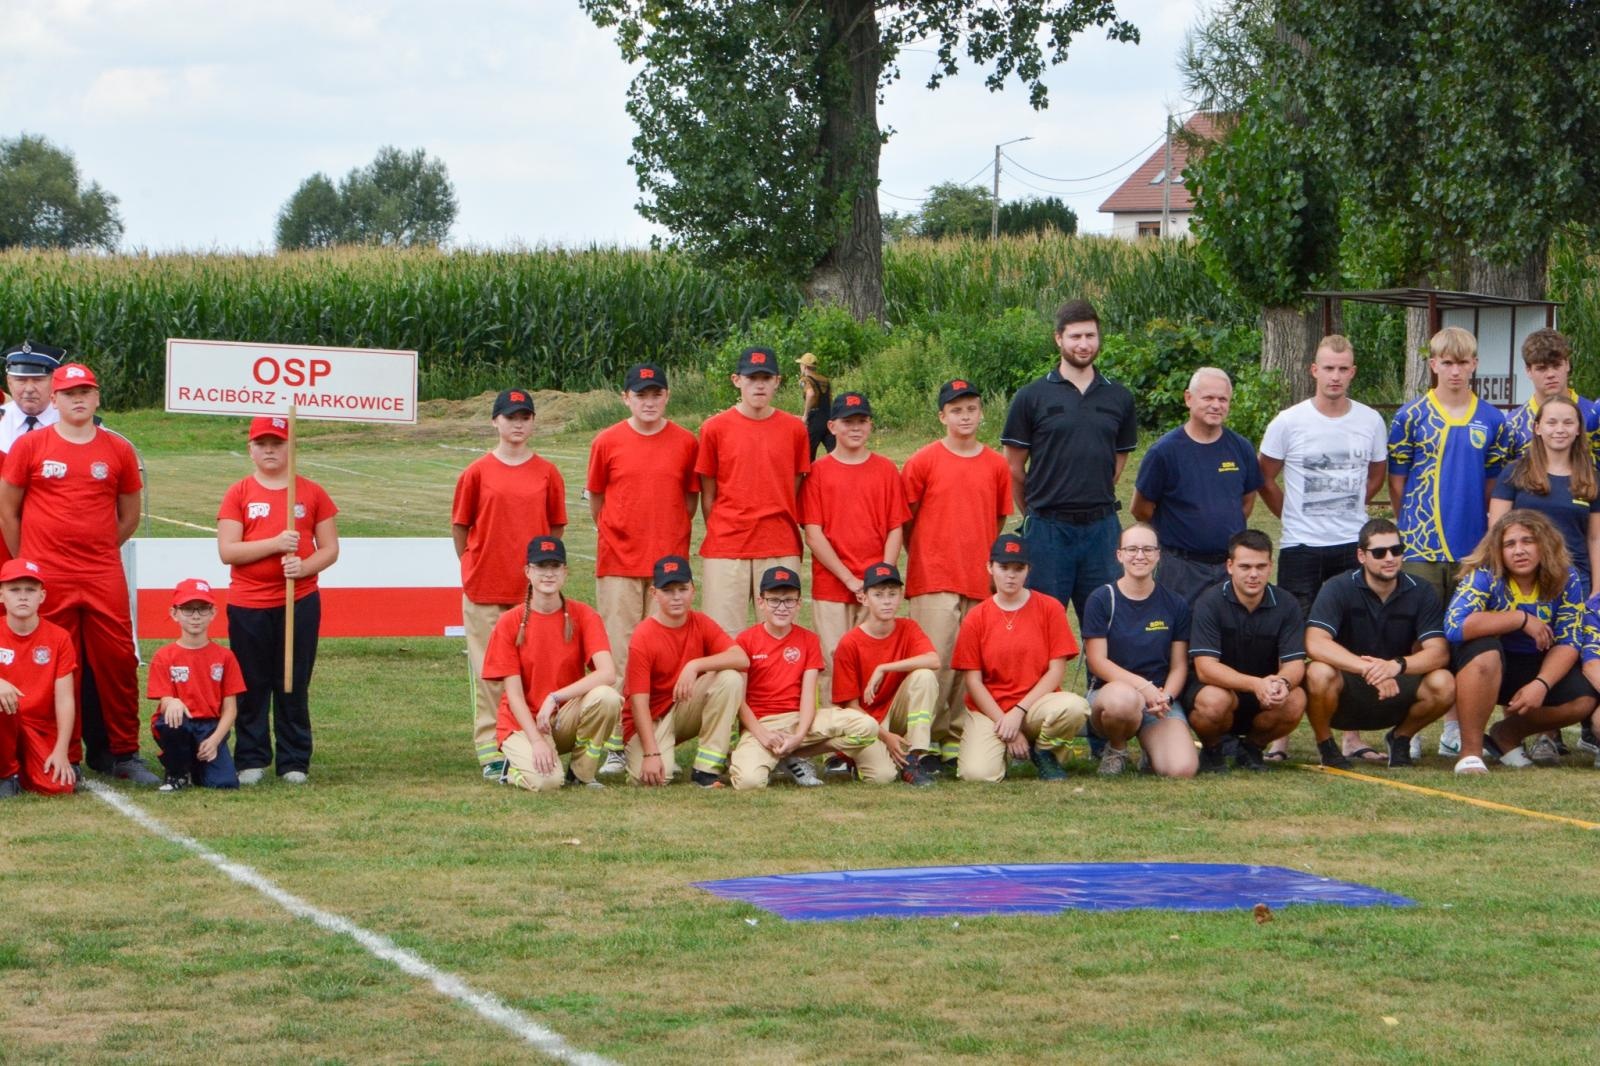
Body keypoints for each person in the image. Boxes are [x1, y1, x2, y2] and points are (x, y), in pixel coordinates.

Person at [0, 362, 154, 784]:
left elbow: (128, 516)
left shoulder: (117, 449)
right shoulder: (30, 447)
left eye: (85, 392)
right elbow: (8, 510)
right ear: (56, 399)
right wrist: (29, 559)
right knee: (56, 664)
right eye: (69, 393)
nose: (78, 399)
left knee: (118, 660)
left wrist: (99, 548)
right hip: (49, 575)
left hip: (102, 571)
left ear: (98, 397)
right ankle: (64, 754)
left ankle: (124, 752)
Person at [1258, 336, 1390, 763]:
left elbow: (1376, 475)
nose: (1335, 376)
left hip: (1350, 545)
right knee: (1292, 638)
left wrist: (1352, 511)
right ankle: (1280, 733)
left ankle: (1350, 733)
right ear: (1313, 370)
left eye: (1343, 369)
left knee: (1350, 636)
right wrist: (1291, 515)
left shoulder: (1370, 421)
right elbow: (1265, 477)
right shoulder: (1288, 421)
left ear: (1353, 372)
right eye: (1327, 368)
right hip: (1300, 546)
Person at [1388, 326, 1512, 759]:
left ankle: (1454, 727)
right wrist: (1412, 528)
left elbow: (1495, 487)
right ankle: (1413, 722)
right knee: (1419, 637)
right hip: (1421, 546)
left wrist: (1485, 540)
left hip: (1472, 548)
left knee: (1462, 636)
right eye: (1447, 362)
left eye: (1463, 363)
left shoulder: (1493, 420)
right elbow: (1398, 483)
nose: (1455, 370)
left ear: (1474, 365)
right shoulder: (1410, 416)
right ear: (1433, 364)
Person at [587, 363, 699, 777]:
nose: (648, 401)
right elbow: (596, 500)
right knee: (618, 652)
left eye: (656, 393)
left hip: (667, 569)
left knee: (663, 655)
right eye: (640, 394)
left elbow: (689, 503)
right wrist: (620, 535)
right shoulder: (607, 441)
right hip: (618, 562)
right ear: (626, 398)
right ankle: (617, 741)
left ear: (667, 396)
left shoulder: (686, 442)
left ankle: (653, 735)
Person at [216, 415, 340, 785]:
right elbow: (228, 551)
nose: (270, 450)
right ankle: (251, 757)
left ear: (291, 447)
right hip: (249, 604)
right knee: (251, 682)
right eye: (262, 444)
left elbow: (330, 549)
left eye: (278, 443)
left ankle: (294, 760)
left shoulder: (312, 492)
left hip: (298, 601)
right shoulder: (239, 492)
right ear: (251, 449)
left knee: (293, 680)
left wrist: (302, 567)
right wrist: (275, 545)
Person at [451, 387, 568, 778]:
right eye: (510, 417)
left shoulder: (547, 472)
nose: (517, 424)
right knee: (490, 670)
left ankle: (528, 737)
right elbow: (461, 527)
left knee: (532, 670)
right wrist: (473, 564)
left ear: (533, 422)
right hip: (485, 587)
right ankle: (490, 748)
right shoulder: (477, 472)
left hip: (531, 592)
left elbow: (556, 528)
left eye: (524, 417)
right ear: (495, 422)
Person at [1002, 300, 1137, 623]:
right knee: (1040, 623)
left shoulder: (1119, 397)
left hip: (1101, 530)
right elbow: (1013, 469)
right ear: (1058, 338)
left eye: (1090, 335)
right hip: (1047, 530)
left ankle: (1102, 678)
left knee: (1107, 622)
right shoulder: (1031, 397)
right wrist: (1036, 513)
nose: (1084, 344)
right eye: (1075, 336)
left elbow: (1116, 465)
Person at [901, 378, 1012, 770]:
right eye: (956, 410)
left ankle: (956, 735)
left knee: (969, 662)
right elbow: (906, 521)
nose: (965, 416)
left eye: (971, 409)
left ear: (982, 413)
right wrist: (927, 555)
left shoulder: (996, 464)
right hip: (933, 575)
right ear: (942, 416)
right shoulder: (923, 461)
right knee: (936, 660)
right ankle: (924, 738)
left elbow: (997, 520)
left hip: (977, 577)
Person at [1444, 509, 1595, 774]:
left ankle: (1506, 734)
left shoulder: (1566, 577)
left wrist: (1541, 684)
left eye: (1528, 541)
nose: (1519, 551)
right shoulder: (1484, 575)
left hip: (1535, 664)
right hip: (1486, 665)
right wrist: (1519, 619)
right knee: (1485, 654)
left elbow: (1570, 640)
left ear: (1544, 544)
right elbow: (1455, 626)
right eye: (1509, 544)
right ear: (1498, 550)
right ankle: (1470, 754)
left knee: (1583, 698)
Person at [1304, 519, 1455, 769]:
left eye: (1396, 550)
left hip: (1397, 684)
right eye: (1379, 552)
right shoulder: (1338, 587)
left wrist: (1395, 666)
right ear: (1361, 556)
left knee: (1444, 682)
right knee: (1317, 672)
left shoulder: (1421, 591)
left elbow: (1438, 652)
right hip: (1348, 687)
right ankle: (1326, 746)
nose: (1390, 558)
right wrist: (1367, 669)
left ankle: (1400, 738)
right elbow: (1314, 642)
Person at [480, 537, 622, 792]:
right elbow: (513, 695)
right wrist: (536, 741)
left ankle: (581, 773)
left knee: (608, 697)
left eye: (555, 566)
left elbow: (608, 672)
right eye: (541, 567)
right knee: (547, 783)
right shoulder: (509, 623)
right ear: (528, 572)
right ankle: (512, 769)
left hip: (561, 717)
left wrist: (555, 698)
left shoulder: (584, 615)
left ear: (565, 572)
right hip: (522, 722)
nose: (548, 574)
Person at [728, 566, 889, 790]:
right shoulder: (745, 640)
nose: (782, 607)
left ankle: (797, 753)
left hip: (802, 721)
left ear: (799, 603)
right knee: (749, 783)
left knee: (866, 726)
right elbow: (739, 700)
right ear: (761, 601)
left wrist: (799, 735)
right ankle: (769, 755)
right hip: (764, 724)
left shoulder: (809, 640)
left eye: (789, 601)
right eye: (774, 600)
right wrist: (762, 734)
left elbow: (807, 696)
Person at [950, 534, 1090, 782]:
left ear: (1028, 570)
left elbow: (1056, 671)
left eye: (1018, 568)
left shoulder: (1049, 608)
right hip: (989, 710)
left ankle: (1044, 751)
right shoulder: (976, 617)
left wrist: (1019, 711)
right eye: (1003, 567)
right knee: (977, 775)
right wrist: (1007, 726)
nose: (1011, 575)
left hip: (1036, 705)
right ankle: (1005, 747)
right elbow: (973, 681)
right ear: (990, 567)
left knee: (1074, 707)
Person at [695, 346, 811, 635]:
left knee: (779, 637)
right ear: (737, 380)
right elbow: (707, 493)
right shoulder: (714, 428)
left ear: (777, 381)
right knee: (722, 637)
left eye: (765, 377)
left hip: (779, 543)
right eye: (751, 378)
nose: (758, 384)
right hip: (727, 547)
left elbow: (793, 484)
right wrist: (726, 526)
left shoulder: (794, 430)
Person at [800, 391, 909, 692]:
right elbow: (813, 533)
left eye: (862, 421)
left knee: (873, 659)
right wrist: (848, 579)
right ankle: (835, 731)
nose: (856, 428)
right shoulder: (818, 472)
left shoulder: (886, 469)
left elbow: (894, 528)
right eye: (848, 422)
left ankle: (873, 729)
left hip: (874, 585)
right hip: (833, 584)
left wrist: (882, 579)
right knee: (833, 659)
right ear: (832, 427)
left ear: (871, 425)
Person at [1131, 367, 1261, 600]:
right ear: (1188, 399)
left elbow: (1246, 503)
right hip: (1180, 568)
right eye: (1208, 397)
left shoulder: (1241, 448)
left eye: (1223, 399)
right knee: (1180, 634)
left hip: (1228, 567)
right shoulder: (1164, 452)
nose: (1216, 405)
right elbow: (1141, 509)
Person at [1081, 523, 1197, 778]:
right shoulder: (1101, 599)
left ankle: (1151, 751)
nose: (1140, 556)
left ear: (1158, 555)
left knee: (1182, 769)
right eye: (1131, 549)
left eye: (1147, 549)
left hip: (1157, 700)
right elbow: (1097, 661)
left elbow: (1179, 666)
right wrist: (1143, 687)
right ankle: (1117, 749)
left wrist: (1166, 697)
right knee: (1124, 700)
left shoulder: (1175, 604)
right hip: (1111, 697)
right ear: (1119, 555)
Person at [1185, 530, 1307, 771]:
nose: (1253, 574)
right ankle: (1212, 750)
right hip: (1220, 690)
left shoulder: (1287, 604)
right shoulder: (1209, 602)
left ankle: (1251, 749)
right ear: (1229, 566)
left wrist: (1282, 682)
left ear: (1270, 566)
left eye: (1261, 566)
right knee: (1213, 701)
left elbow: (1294, 663)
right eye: (1245, 566)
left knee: (1296, 699)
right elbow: (1205, 668)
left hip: (1264, 694)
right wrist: (1255, 684)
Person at [623, 555, 749, 787]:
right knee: (657, 778)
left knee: (730, 678)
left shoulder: (700, 622)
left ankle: (706, 770)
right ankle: (639, 751)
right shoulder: (643, 635)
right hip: (651, 718)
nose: (677, 596)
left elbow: (741, 658)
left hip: (681, 708)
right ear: (654, 594)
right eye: (668, 590)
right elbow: (638, 703)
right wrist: (651, 754)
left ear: (693, 590)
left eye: (682, 588)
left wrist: (695, 665)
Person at [830, 562, 942, 786]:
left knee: (925, 676)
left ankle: (914, 758)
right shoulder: (850, 643)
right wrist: (885, 736)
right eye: (879, 594)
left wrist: (884, 668)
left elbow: (934, 660)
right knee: (883, 776)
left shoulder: (908, 627)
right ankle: (860, 760)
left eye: (892, 594)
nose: (887, 600)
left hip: (895, 714)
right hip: (868, 724)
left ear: (900, 596)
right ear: (864, 598)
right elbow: (850, 705)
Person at [146, 578, 245, 792]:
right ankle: (177, 772)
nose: (196, 616)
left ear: (213, 613)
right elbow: (163, 700)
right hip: (181, 723)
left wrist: (216, 739)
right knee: (173, 721)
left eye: (202, 609)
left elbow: (230, 709)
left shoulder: (225, 657)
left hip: (210, 727)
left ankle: (198, 766)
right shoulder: (165, 656)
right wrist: (172, 701)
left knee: (224, 784)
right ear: (175, 614)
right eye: (188, 609)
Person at [0, 558, 76, 797]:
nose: (23, 597)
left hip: (37, 727)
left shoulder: (59, 637)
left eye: (30, 590)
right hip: (5, 719)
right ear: (1, 596)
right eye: (14, 590)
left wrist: (61, 750)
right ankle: (7, 775)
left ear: (42, 596)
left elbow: (65, 699)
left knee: (57, 786)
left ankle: (22, 768)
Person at [1503, 328, 1600, 463]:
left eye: (1556, 366)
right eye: (1541, 368)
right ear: (1528, 371)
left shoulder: (1594, 416)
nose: (1550, 374)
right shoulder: (1512, 425)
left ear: (1567, 365)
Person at [0, 341, 62, 456]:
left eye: (38, 379)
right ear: (9, 382)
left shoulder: (77, 423)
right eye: (20, 380)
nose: (29, 389)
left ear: (54, 381)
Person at [796, 352, 836, 460]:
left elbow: (810, 393)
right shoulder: (825, 380)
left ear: (804, 366)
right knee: (834, 452)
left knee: (808, 454)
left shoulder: (804, 380)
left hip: (815, 420)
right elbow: (830, 398)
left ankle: (807, 476)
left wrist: (805, 416)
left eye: (800, 365)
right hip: (828, 417)